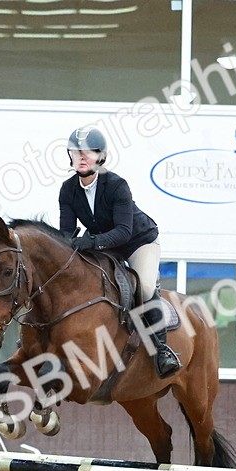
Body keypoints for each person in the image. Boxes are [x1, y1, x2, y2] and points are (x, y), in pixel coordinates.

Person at [58, 126, 181, 378]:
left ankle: (162, 350)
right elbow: (66, 234)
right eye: (76, 152)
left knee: (144, 288)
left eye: (88, 152)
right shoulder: (67, 190)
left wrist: (90, 242)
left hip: (137, 242)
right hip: (106, 246)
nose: (82, 157)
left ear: (100, 157)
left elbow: (124, 232)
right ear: (69, 156)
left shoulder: (116, 185)